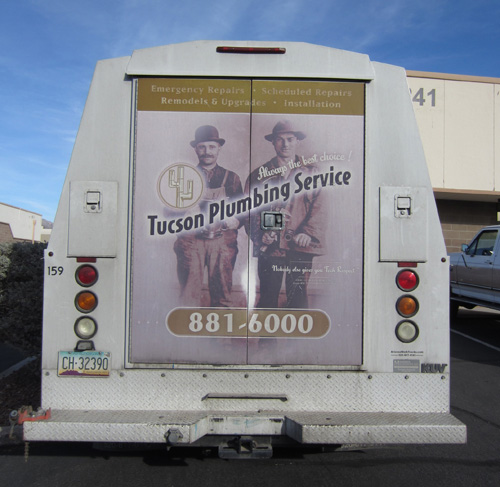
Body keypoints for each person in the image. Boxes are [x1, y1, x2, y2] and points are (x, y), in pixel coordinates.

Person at [246, 120, 327, 309]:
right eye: (280, 140)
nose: (285, 144)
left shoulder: (313, 173)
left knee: (298, 299)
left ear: (297, 141)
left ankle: (296, 340)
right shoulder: (259, 176)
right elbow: (249, 212)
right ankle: (267, 339)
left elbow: (320, 206)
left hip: (300, 246)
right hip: (271, 247)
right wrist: (262, 235)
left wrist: (307, 233)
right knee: (267, 298)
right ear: (273, 142)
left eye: (290, 139)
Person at [174, 125, 243, 307]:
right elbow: (168, 212)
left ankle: (219, 336)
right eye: (202, 147)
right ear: (196, 148)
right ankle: (187, 335)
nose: (207, 152)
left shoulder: (231, 178)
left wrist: (235, 219)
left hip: (222, 243)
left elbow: (244, 212)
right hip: (191, 242)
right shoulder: (184, 177)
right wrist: (183, 212)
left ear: (219, 148)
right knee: (188, 296)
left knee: (223, 296)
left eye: (212, 147)